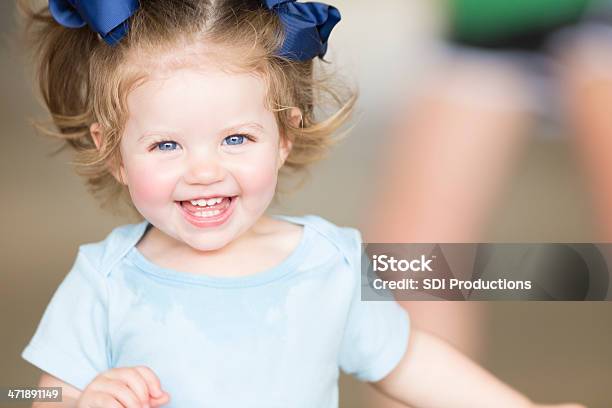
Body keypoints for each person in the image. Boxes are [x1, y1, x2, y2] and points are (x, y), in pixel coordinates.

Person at [19, 1, 585, 407]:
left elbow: (408, 361)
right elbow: (44, 394)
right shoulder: (105, 279)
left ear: (285, 133)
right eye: (166, 144)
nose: (204, 170)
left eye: (236, 138)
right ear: (112, 150)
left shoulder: (326, 260)